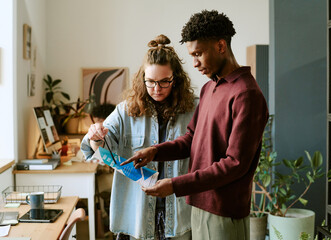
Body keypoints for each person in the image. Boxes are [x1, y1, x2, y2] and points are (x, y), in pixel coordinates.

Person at [122, 10, 269, 240]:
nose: (195, 63)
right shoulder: (209, 88)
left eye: (199, 53)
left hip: (224, 213)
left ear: (221, 46)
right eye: (192, 54)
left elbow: (235, 164)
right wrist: (155, 152)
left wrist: (175, 185)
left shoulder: (246, 94)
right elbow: (191, 138)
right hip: (199, 206)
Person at [80, 34, 196, 240]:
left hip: (181, 216)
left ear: (176, 79)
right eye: (150, 82)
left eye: (164, 82)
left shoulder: (194, 109)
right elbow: (96, 150)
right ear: (142, 79)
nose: (156, 89)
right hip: (137, 218)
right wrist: (95, 135)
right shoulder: (125, 111)